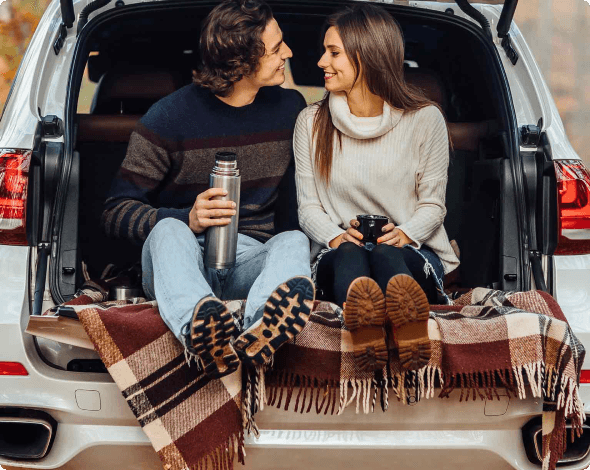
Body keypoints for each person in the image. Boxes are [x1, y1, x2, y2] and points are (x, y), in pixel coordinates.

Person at [102, 0, 315, 379]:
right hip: (180, 260)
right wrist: (188, 218)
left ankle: (257, 332)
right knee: (168, 230)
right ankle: (200, 330)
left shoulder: (290, 109)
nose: (289, 52)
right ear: (241, 59)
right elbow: (116, 211)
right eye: (277, 46)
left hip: (247, 260)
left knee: (293, 241)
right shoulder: (168, 118)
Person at [293, 3, 459, 373]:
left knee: (386, 257)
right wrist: (336, 237)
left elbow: (433, 207)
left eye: (333, 52)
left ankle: (402, 324)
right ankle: (376, 330)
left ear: (367, 56)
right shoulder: (310, 122)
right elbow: (308, 208)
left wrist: (403, 233)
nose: (321, 61)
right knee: (353, 257)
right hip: (338, 254)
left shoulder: (424, 119)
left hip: (411, 252)